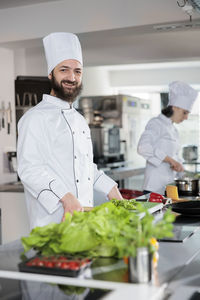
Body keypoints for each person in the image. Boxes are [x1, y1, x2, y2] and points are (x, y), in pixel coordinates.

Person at [17, 32, 123, 229]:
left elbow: (85, 167)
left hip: (83, 219)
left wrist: (112, 189)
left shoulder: (80, 120)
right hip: (53, 221)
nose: (71, 77)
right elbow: (29, 169)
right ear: (51, 74)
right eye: (64, 70)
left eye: (77, 71)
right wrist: (65, 197)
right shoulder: (34, 118)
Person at [137, 81, 198, 195]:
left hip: (168, 187)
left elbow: (175, 157)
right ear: (174, 107)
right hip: (154, 188)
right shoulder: (156, 123)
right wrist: (170, 160)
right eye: (185, 112)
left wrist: (183, 173)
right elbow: (143, 147)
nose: (186, 117)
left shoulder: (173, 129)